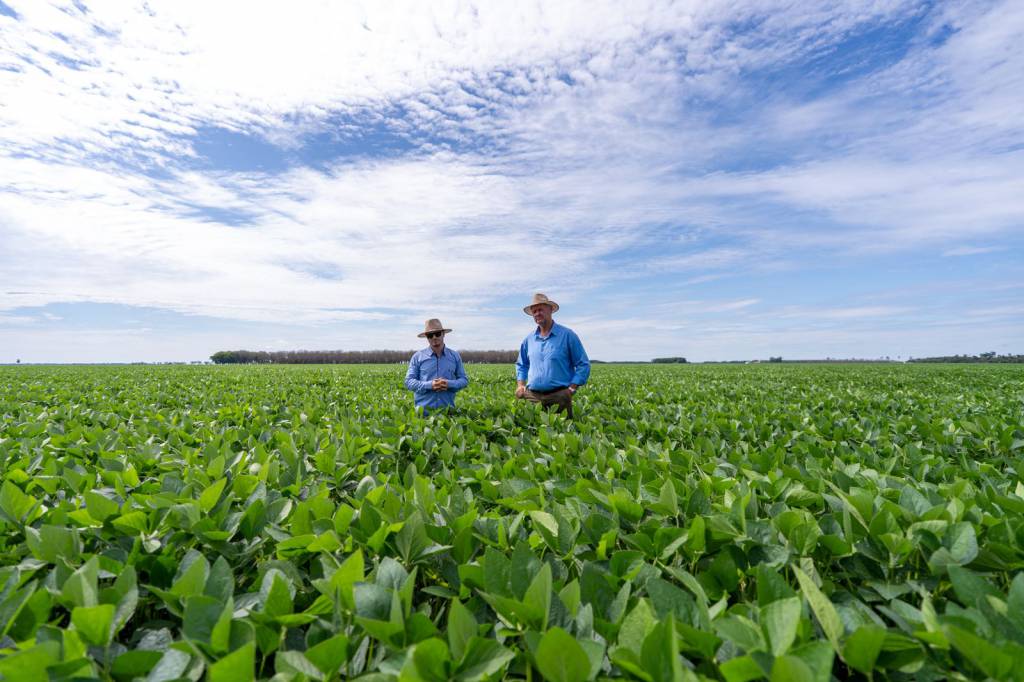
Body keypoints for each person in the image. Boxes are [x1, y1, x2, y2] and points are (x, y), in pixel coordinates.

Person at [515, 293, 590, 418]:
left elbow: (583, 364)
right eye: (534, 311)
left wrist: (572, 388)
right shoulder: (528, 340)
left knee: (564, 433)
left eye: (540, 309)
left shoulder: (567, 335)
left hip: (559, 396)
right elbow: (521, 365)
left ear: (550, 310)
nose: (537, 313)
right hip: (532, 397)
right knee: (533, 433)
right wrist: (521, 385)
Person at [404, 318, 469, 413]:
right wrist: (430, 385)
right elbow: (408, 382)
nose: (434, 337)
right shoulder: (417, 357)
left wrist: (449, 384)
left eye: (438, 333)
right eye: (430, 335)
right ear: (427, 337)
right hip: (423, 415)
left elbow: (464, 380)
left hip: (447, 412)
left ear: (443, 334)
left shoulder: (455, 356)